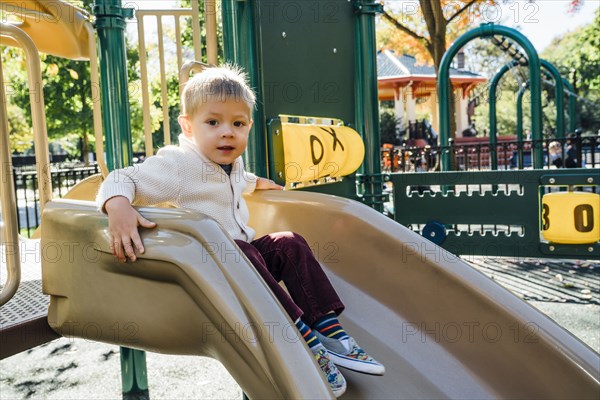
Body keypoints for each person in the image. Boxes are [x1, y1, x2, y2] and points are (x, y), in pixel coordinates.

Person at [96, 65, 384, 397]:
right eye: (213, 122)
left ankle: (328, 329)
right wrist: (117, 205)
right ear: (189, 127)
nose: (227, 133)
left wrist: (256, 182)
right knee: (240, 249)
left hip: (243, 261)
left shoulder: (231, 163)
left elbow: (233, 181)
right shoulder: (176, 165)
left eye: (238, 123)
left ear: (247, 126)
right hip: (209, 272)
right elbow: (122, 178)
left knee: (288, 243)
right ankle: (300, 337)